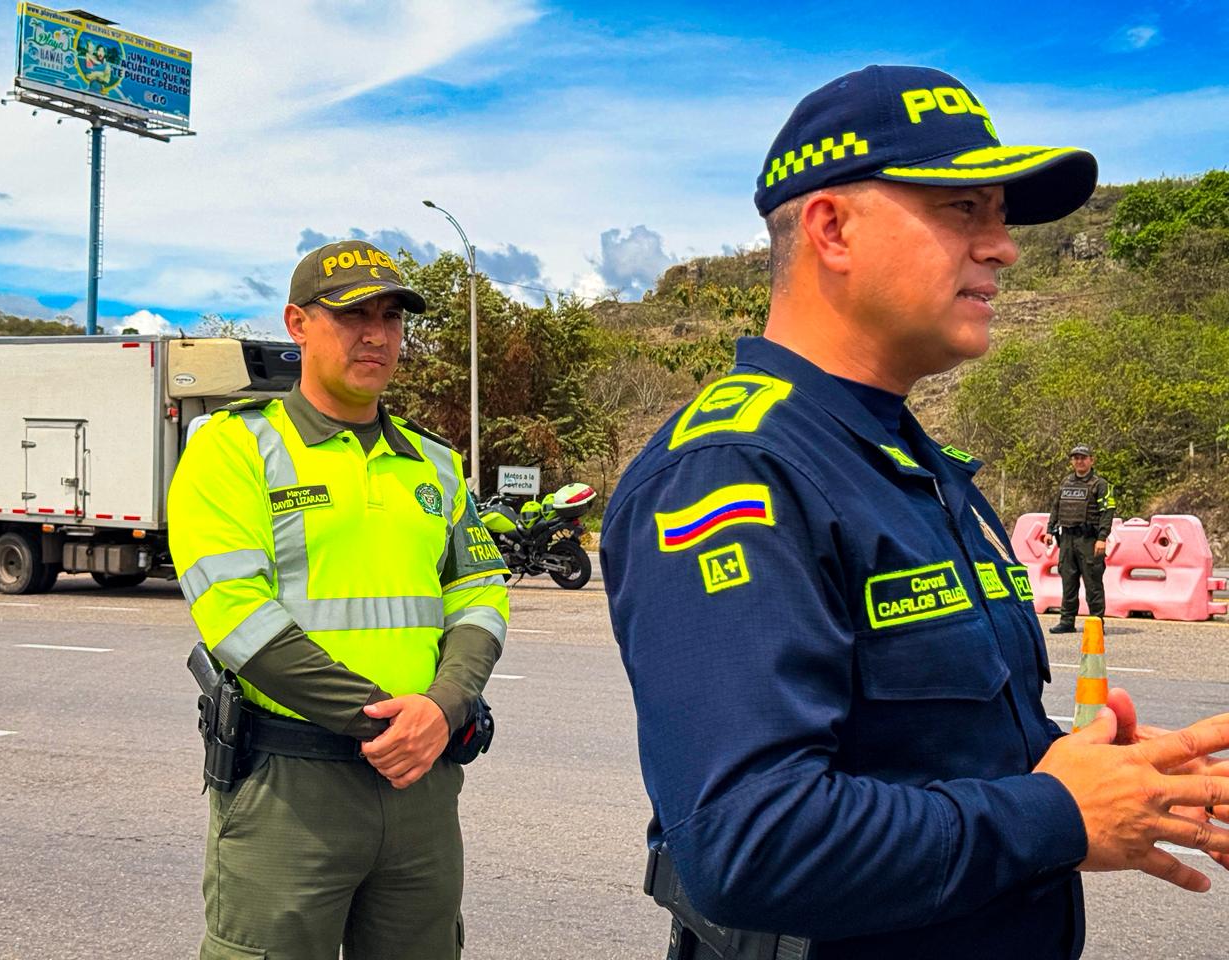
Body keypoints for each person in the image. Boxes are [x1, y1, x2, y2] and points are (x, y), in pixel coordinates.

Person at [601, 65, 1229, 960]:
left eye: (1001, 215)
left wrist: (1097, 772)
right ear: (832, 227)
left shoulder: (911, 464)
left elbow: (926, 750)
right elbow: (748, 840)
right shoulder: (735, 470)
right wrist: (1057, 812)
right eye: (962, 209)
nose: (1003, 245)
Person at [169, 240, 509, 959]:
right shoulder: (235, 449)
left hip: (422, 786)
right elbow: (237, 615)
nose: (377, 334)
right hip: (293, 789)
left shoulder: (437, 465)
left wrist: (443, 708)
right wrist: (393, 723)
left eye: (391, 317)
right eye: (353, 313)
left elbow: (480, 594)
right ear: (297, 323)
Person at [1044, 444, 1115, 634]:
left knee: (1093, 583)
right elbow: (1056, 507)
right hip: (1066, 538)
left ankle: (1096, 623)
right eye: (1075, 458)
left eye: (1083, 457)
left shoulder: (1100, 485)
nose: (1079, 461)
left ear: (1091, 460)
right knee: (1068, 581)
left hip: (1089, 539)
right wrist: (1050, 530)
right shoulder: (1066, 483)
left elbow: (1107, 513)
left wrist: (1102, 538)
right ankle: (1067, 621)